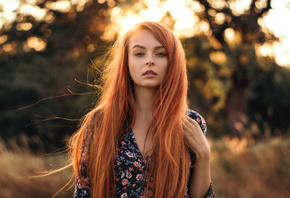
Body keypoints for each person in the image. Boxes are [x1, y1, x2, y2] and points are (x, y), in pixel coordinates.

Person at [70, 21, 214, 198]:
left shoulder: (191, 123)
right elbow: (84, 191)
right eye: (139, 53)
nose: (149, 61)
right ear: (126, 61)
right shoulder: (100, 121)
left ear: (173, 61)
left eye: (160, 54)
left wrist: (204, 155)